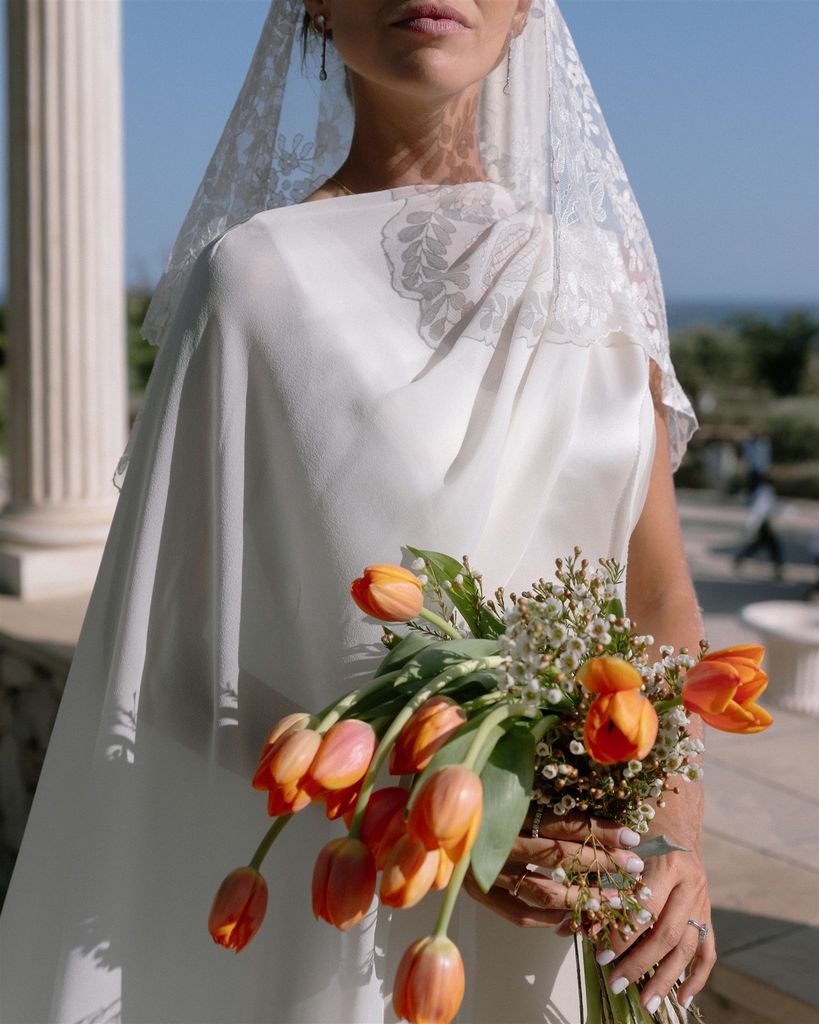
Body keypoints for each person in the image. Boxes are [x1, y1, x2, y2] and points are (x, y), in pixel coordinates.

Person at [0, 1, 714, 1021]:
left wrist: (676, 837)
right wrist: (432, 818)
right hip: (356, 919)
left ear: (525, 11)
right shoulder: (249, 279)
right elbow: (171, 657)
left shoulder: (602, 280)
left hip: (588, 909)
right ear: (316, 6)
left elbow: (659, 593)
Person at [733, 469, 785, 581]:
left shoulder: (765, 490)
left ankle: (739, 559)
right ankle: (778, 571)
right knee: (773, 547)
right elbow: (759, 510)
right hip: (765, 525)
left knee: (759, 545)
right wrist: (751, 526)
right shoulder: (765, 491)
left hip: (764, 524)